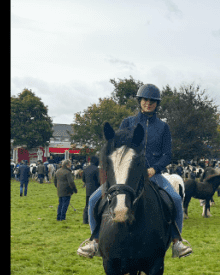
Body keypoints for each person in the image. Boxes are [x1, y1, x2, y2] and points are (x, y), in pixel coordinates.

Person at [77, 83, 192, 259]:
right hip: (126, 175)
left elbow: (167, 155)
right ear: (140, 101)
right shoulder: (128, 122)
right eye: (145, 99)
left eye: (152, 100)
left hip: (153, 175)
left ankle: (177, 242)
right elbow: (118, 148)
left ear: (157, 104)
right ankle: (95, 241)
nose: (148, 103)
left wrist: (155, 169)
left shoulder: (163, 127)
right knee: (93, 200)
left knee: (176, 199)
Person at [82, 155, 101, 225]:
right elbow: (99, 180)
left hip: (88, 189)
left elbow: (83, 179)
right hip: (95, 189)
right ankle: (94, 220)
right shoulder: (97, 169)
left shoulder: (85, 169)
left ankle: (85, 219)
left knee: (87, 205)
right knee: (96, 205)